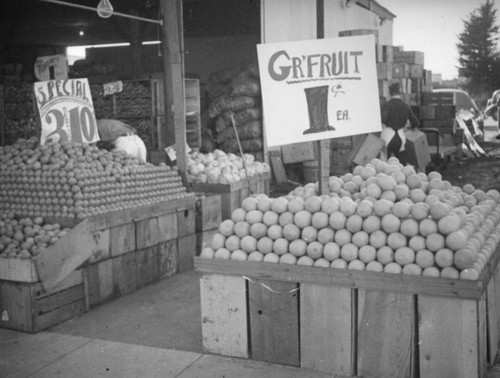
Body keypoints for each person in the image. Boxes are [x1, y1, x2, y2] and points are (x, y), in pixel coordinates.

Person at [380, 82, 420, 163]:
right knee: (401, 163)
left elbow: (383, 119)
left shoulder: (386, 105)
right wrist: (409, 127)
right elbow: (415, 122)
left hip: (387, 136)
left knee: (385, 164)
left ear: (390, 93)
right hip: (401, 137)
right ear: (400, 93)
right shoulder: (405, 106)